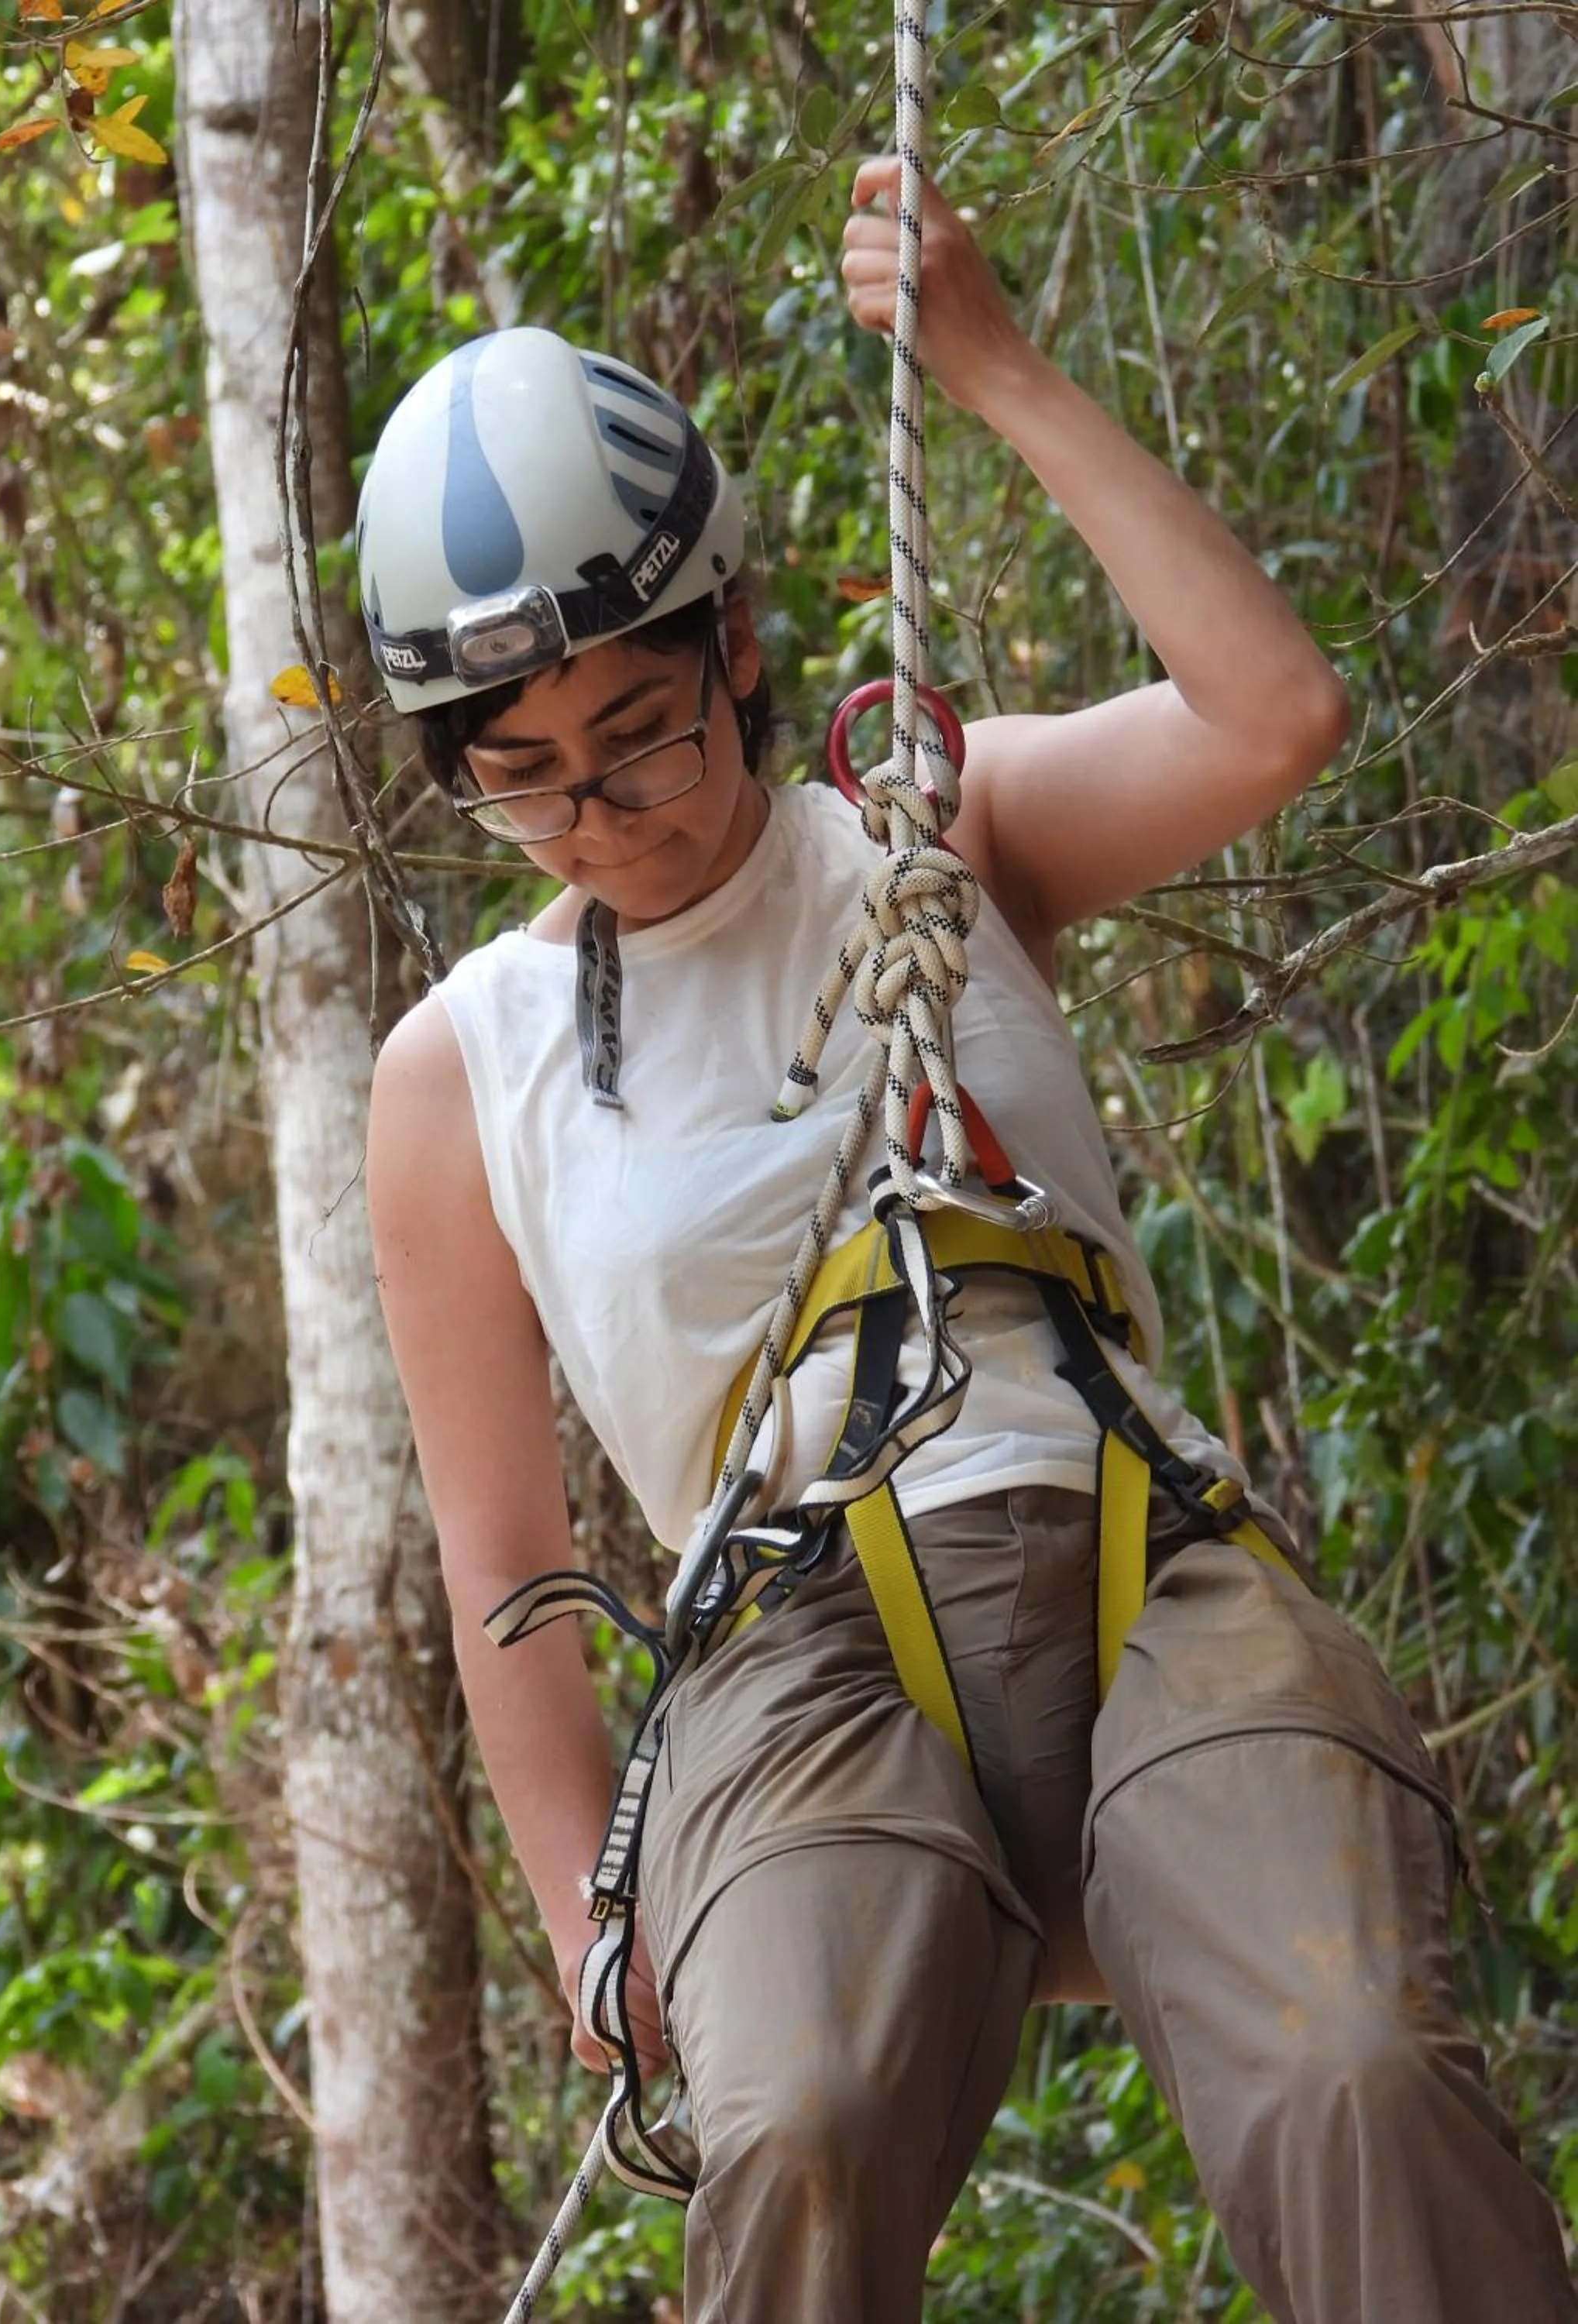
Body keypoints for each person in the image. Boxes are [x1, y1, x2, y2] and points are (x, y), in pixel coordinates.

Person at [359, 157, 1576, 2324]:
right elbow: (503, 1564)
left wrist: (994, 366)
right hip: (793, 1653)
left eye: (638, 732)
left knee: (1355, 2061)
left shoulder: (943, 831)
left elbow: (1273, 713)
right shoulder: (469, 1070)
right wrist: (580, 1919)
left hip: (1133, 1547)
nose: (599, 816)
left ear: (736, 643)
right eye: (522, 777)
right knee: (803, 2119)